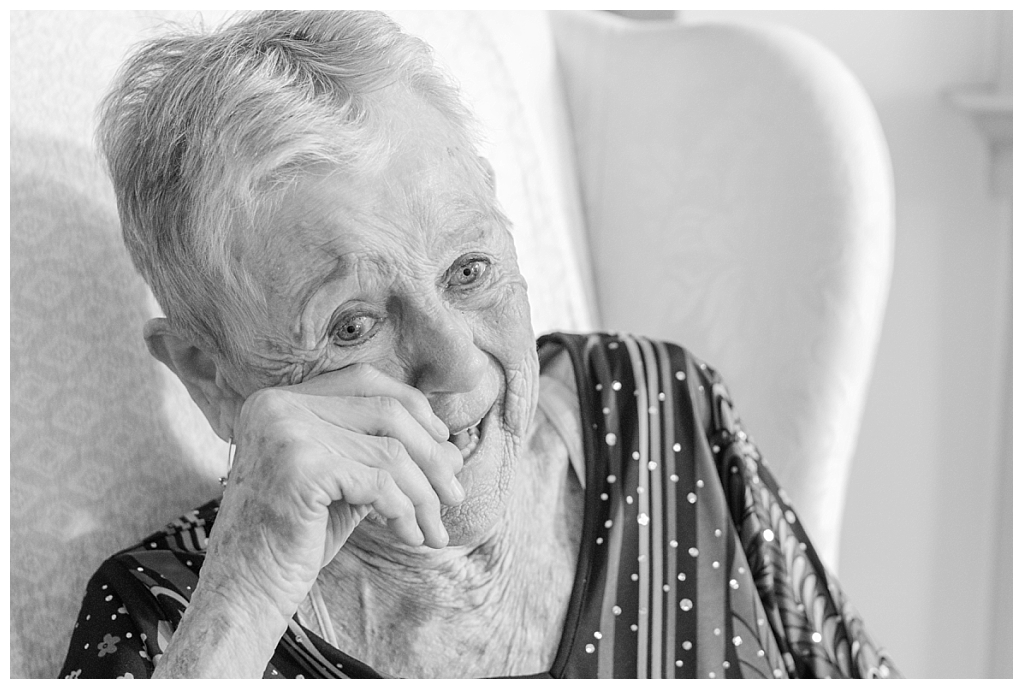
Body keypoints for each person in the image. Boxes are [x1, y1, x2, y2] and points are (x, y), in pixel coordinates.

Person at [59, 10, 898, 679]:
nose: (459, 364)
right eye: (354, 324)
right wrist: (245, 597)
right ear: (212, 374)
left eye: (468, 270)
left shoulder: (658, 406)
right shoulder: (173, 622)